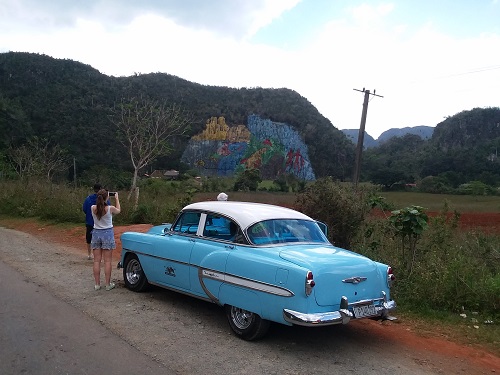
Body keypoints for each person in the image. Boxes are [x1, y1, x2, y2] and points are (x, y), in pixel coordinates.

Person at [91, 189, 121, 291]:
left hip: (96, 233)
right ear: (107, 197)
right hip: (107, 233)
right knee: (107, 261)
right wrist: (116, 199)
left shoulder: (93, 208)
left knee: (96, 261)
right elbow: (119, 210)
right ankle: (108, 284)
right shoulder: (110, 209)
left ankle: (97, 284)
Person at [82, 183, 103, 260]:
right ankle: (98, 254)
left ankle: (89, 254)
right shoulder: (104, 199)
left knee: (89, 238)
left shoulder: (88, 199)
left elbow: (84, 209)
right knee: (100, 238)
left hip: (90, 221)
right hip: (100, 223)